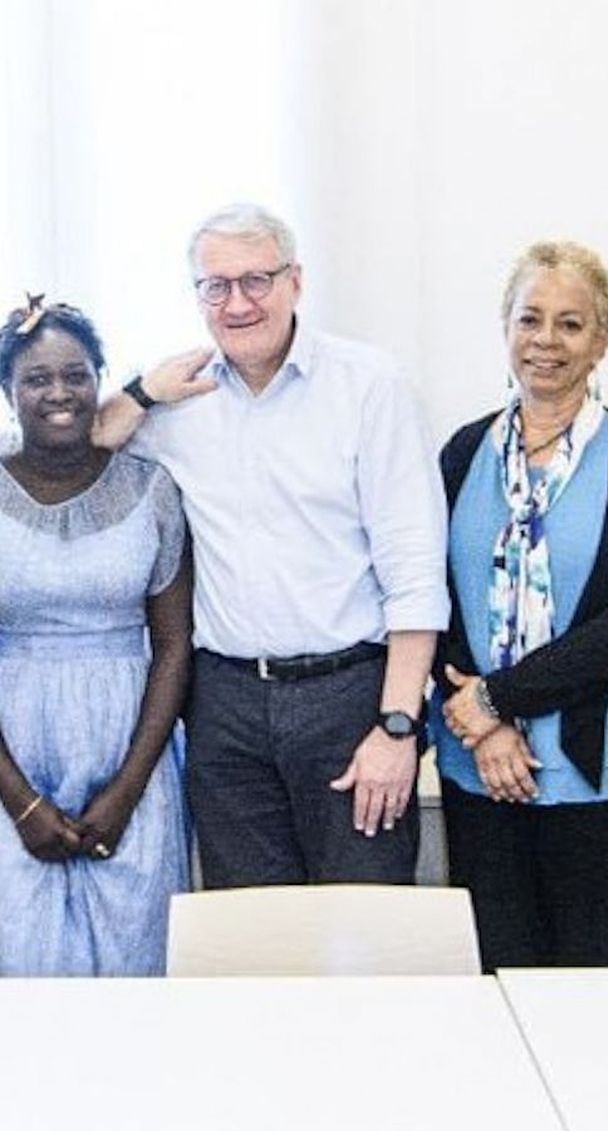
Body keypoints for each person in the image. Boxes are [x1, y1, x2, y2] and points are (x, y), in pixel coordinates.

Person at [94, 203, 448, 887]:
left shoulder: (368, 386)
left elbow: (414, 572)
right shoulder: (179, 400)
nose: (237, 303)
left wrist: (399, 727)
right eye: (215, 286)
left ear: (296, 282)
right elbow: (79, 443)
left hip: (348, 697)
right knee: (250, 935)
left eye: (256, 280)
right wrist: (142, 389)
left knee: (367, 925)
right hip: (224, 703)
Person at [432, 241, 608, 968]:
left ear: (603, 340)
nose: (546, 341)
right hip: (482, 767)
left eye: (570, 325)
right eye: (529, 319)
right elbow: (432, 596)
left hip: (605, 773)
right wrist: (487, 728)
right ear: (505, 328)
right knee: (500, 982)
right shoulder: (461, 454)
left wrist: (498, 700)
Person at [0, 297, 192, 974]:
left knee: (136, 956)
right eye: (37, 379)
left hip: (129, 751)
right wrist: (20, 804)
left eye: (76, 375)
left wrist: (127, 791)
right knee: (22, 966)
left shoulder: (152, 490)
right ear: (8, 392)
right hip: (10, 757)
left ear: (99, 380)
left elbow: (173, 645)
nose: (59, 393)